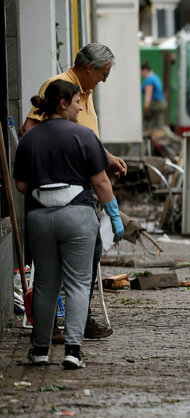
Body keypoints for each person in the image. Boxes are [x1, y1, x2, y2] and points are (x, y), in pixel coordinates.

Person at [14, 80, 124, 369]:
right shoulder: (84, 136)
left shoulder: (29, 139)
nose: (79, 107)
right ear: (63, 103)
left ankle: (39, 350)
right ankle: (73, 351)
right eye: (77, 102)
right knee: (77, 283)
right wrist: (114, 215)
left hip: (39, 218)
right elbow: (101, 183)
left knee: (46, 284)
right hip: (77, 216)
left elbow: (22, 185)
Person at [141, 61, 168, 130]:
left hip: (155, 104)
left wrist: (146, 108)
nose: (141, 74)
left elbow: (148, 95)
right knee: (160, 126)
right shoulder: (156, 77)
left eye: (141, 72)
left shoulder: (149, 80)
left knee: (146, 124)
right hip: (161, 103)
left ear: (145, 70)